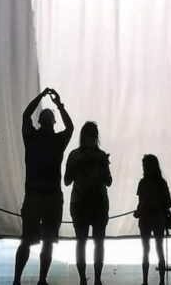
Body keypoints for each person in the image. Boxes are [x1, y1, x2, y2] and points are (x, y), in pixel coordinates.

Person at [12, 88, 74, 285]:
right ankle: (40, 280)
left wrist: (42, 98)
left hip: (35, 196)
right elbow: (70, 127)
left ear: (40, 122)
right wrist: (58, 104)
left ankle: (18, 280)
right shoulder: (58, 141)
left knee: (28, 241)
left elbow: (25, 115)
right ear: (53, 122)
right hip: (50, 197)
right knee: (46, 242)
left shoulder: (31, 137)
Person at [64, 122, 112, 285]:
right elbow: (109, 181)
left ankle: (83, 279)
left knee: (81, 242)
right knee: (98, 243)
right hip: (97, 203)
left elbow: (67, 180)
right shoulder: (101, 155)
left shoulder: (74, 155)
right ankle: (97, 279)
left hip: (80, 203)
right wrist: (102, 165)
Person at [134, 154, 171, 285]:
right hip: (158, 219)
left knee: (145, 250)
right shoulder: (161, 183)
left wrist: (138, 212)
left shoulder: (142, 183)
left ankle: (145, 281)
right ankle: (161, 281)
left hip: (144, 219)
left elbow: (140, 203)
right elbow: (168, 203)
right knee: (159, 249)